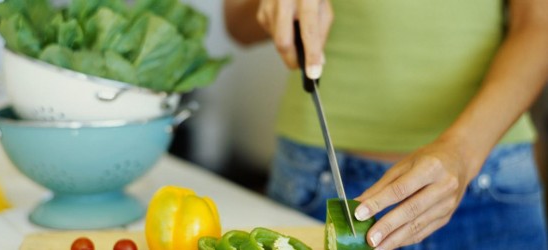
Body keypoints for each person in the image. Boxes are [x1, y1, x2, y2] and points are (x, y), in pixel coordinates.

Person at [223, 0, 548, 249]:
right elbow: (237, 21)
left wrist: (464, 152)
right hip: (317, 178)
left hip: (489, 178)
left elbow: (539, 22)